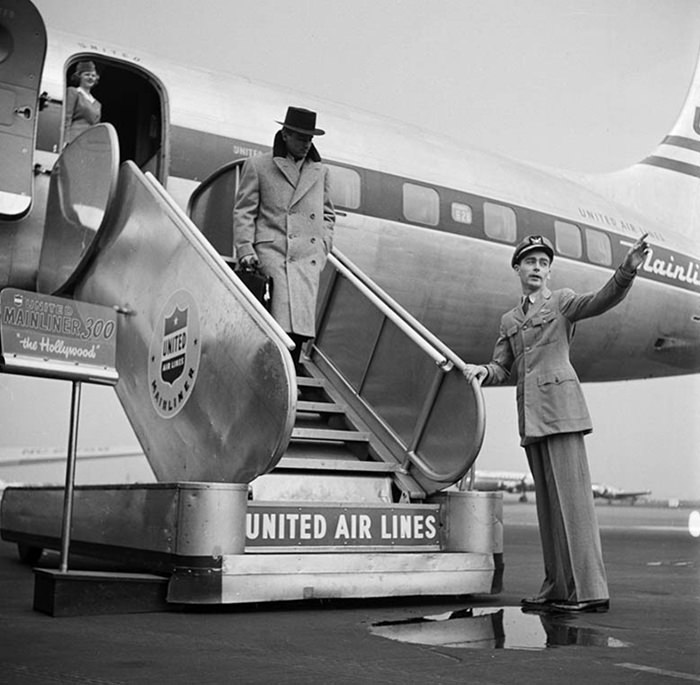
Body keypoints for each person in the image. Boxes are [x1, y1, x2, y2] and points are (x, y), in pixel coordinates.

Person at [463, 232, 650, 613]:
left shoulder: (562, 300)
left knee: (575, 504)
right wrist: (482, 370)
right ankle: (557, 587)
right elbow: (503, 366)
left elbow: (600, 301)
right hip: (532, 418)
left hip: (562, 411)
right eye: (530, 261)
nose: (537, 268)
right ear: (517, 268)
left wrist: (626, 271)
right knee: (548, 508)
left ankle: (589, 591)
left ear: (549, 271)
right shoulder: (510, 319)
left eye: (543, 262)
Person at [233, 106, 335, 371]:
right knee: (274, 324)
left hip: (306, 258)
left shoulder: (321, 172)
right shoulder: (258, 166)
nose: (307, 144)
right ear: (285, 135)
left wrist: (322, 249)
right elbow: (244, 211)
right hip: (273, 254)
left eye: (310, 139)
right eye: (302, 138)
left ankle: (287, 376)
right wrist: (245, 249)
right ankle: (273, 376)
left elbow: (328, 216)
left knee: (299, 327)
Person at [64, 61, 102, 144]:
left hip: (88, 142)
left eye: (93, 75)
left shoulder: (97, 104)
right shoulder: (73, 92)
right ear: (79, 76)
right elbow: (67, 117)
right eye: (87, 74)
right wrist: (65, 140)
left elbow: (95, 127)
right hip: (73, 139)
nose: (90, 78)